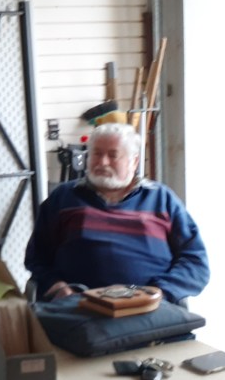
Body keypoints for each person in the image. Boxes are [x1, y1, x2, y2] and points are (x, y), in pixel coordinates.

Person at [25, 122, 209, 304]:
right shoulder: (63, 197)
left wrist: (162, 292)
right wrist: (57, 287)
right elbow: (37, 257)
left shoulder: (162, 199)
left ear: (134, 161)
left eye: (113, 155)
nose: (102, 162)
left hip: (149, 308)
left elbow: (195, 261)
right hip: (79, 306)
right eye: (97, 153)